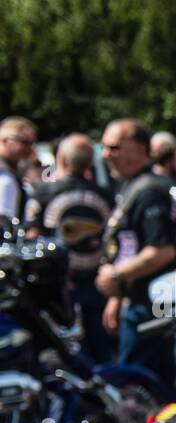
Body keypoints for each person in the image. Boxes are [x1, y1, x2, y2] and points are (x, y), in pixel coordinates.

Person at [95, 118, 176, 388]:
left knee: (139, 385)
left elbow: (162, 250)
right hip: (140, 302)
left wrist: (116, 275)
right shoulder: (132, 186)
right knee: (153, 385)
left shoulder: (150, 190)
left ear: (140, 149)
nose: (106, 154)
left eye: (114, 147)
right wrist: (118, 296)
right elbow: (130, 245)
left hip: (151, 307)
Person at [28, 134, 115, 363]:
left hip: (60, 288)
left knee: (69, 354)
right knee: (100, 350)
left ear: (62, 160)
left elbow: (32, 239)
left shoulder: (42, 193)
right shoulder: (106, 195)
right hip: (98, 282)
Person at [0, 116, 38, 222]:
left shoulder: (11, 171)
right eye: (25, 142)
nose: (30, 149)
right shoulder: (4, 176)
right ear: (5, 140)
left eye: (32, 143)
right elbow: (3, 221)